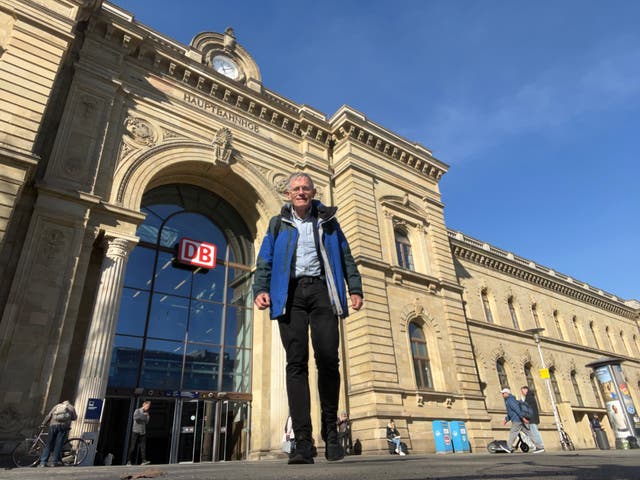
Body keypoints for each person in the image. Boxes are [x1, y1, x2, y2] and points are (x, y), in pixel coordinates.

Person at [253, 172, 364, 465]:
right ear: (288, 194)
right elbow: (264, 259)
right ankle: (303, 442)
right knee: (296, 363)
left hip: (322, 291)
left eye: (306, 188)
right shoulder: (278, 224)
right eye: (296, 188)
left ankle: (331, 433)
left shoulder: (328, 221)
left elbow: (346, 255)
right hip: (289, 296)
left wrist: (355, 287)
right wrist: (261, 288)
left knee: (328, 359)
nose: (301, 192)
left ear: (313, 193)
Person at [500, 388, 544, 453]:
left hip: (517, 420)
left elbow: (516, 409)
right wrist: (506, 419)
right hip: (519, 419)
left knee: (513, 432)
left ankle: (509, 447)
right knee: (529, 433)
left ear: (507, 393)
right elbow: (511, 412)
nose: (502, 395)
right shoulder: (510, 400)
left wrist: (522, 418)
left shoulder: (510, 400)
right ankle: (540, 447)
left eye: (503, 393)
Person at [38, 400, 77, 467]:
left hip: (53, 425)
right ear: (69, 403)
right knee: (58, 444)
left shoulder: (56, 406)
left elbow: (49, 415)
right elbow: (74, 418)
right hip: (63, 426)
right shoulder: (71, 407)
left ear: (62, 403)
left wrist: (43, 423)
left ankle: (43, 462)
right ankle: (54, 462)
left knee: (48, 444)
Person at [127, 400, 151, 465]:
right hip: (135, 431)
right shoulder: (137, 410)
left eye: (149, 406)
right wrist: (143, 415)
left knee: (143, 446)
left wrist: (146, 416)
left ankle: (143, 460)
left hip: (143, 431)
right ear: (144, 405)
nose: (148, 407)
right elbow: (136, 418)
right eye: (147, 406)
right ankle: (129, 460)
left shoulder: (147, 413)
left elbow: (147, 421)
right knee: (132, 446)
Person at [520, 386, 544, 450]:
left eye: (522, 391)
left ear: (526, 390)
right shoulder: (531, 397)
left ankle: (540, 446)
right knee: (535, 432)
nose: (522, 393)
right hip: (534, 417)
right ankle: (539, 446)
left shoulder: (529, 398)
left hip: (532, 418)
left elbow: (526, 409)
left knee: (534, 432)